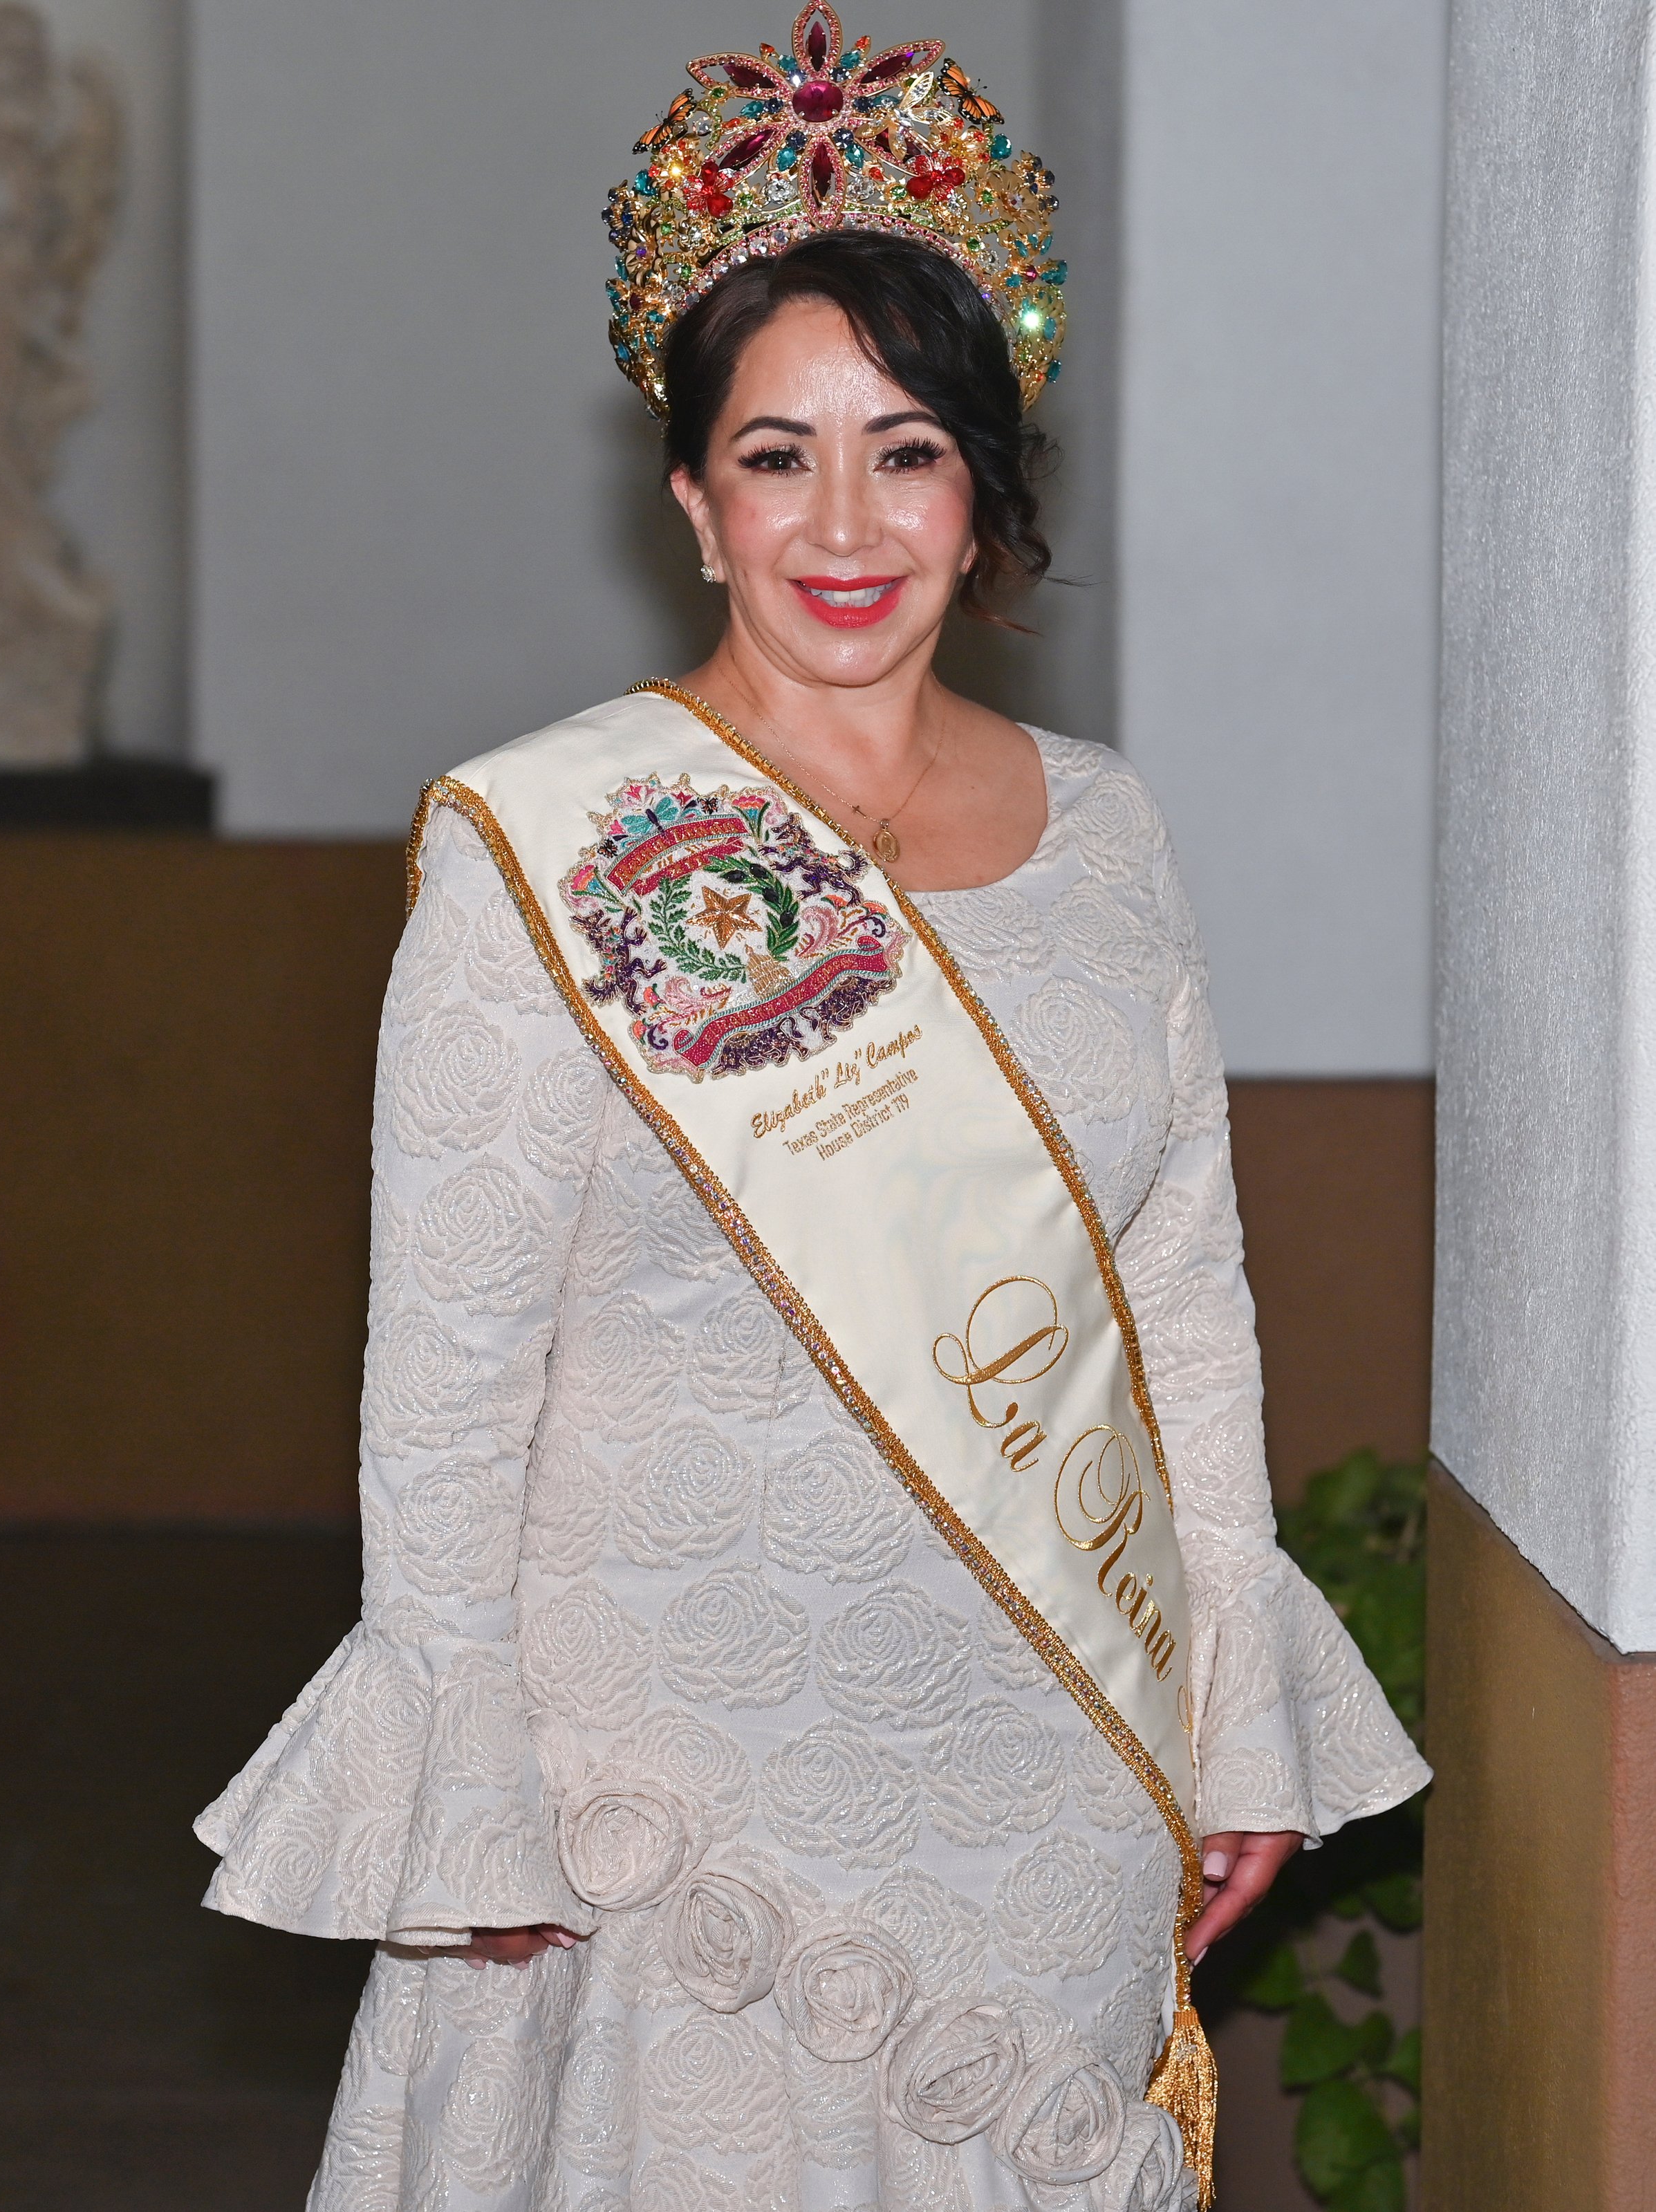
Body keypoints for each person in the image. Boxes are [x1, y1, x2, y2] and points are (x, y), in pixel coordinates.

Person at [196, 13, 1428, 2211]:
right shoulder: (547, 848)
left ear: (984, 493)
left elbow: (1180, 1294)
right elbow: (450, 1367)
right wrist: (470, 1773)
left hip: (1040, 1755)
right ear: (690, 500)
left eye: (907, 451)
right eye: (776, 456)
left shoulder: (1107, 833)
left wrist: (1228, 1696)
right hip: (674, 1800)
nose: (843, 524)